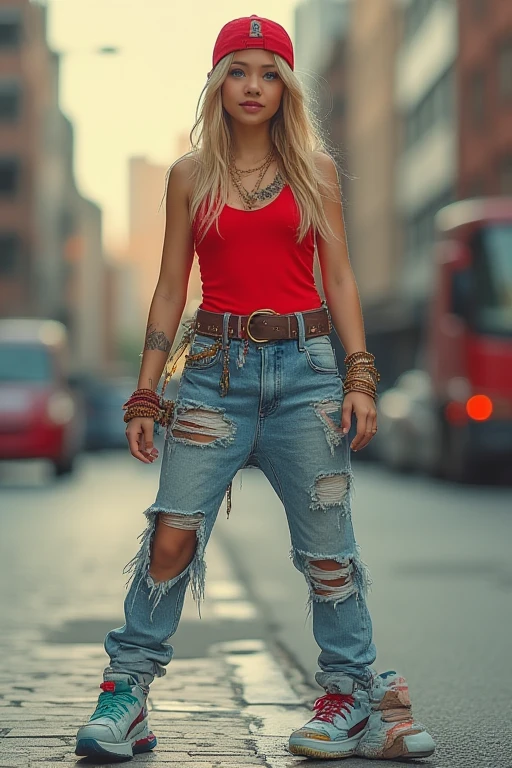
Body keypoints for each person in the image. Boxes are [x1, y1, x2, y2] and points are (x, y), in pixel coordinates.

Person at [75, 15, 435, 762]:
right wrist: (146, 394)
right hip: (213, 375)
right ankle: (127, 693)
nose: (253, 86)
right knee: (172, 535)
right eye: (238, 71)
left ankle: (349, 695)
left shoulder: (316, 171)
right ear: (217, 83)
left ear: (287, 88)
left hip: (307, 375)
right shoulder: (189, 175)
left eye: (269, 74)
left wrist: (360, 375)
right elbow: (170, 287)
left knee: (328, 552)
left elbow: (340, 278)